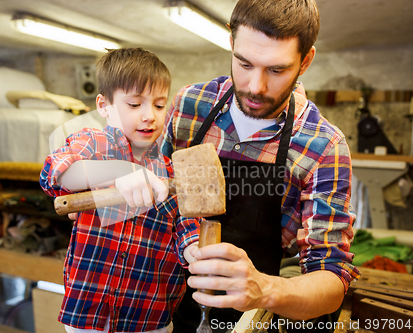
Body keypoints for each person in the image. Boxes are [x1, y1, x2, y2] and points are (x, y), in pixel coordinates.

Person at [161, 0, 361, 331]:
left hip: (255, 321)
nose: (256, 87)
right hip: (169, 313)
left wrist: (264, 289)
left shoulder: (324, 146)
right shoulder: (189, 106)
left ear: (305, 61)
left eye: (276, 70)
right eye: (244, 63)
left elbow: (331, 282)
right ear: (232, 43)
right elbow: (160, 199)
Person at [40, 48, 201, 333]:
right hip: (91, 314)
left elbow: (187, 230)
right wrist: (122, 171)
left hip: (149, 315)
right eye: (135, 104)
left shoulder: (172, 172)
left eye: (159, 105)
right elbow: (57, 174)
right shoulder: (93, 143)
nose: (149, 116)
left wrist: (197, 253)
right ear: (104, 105)